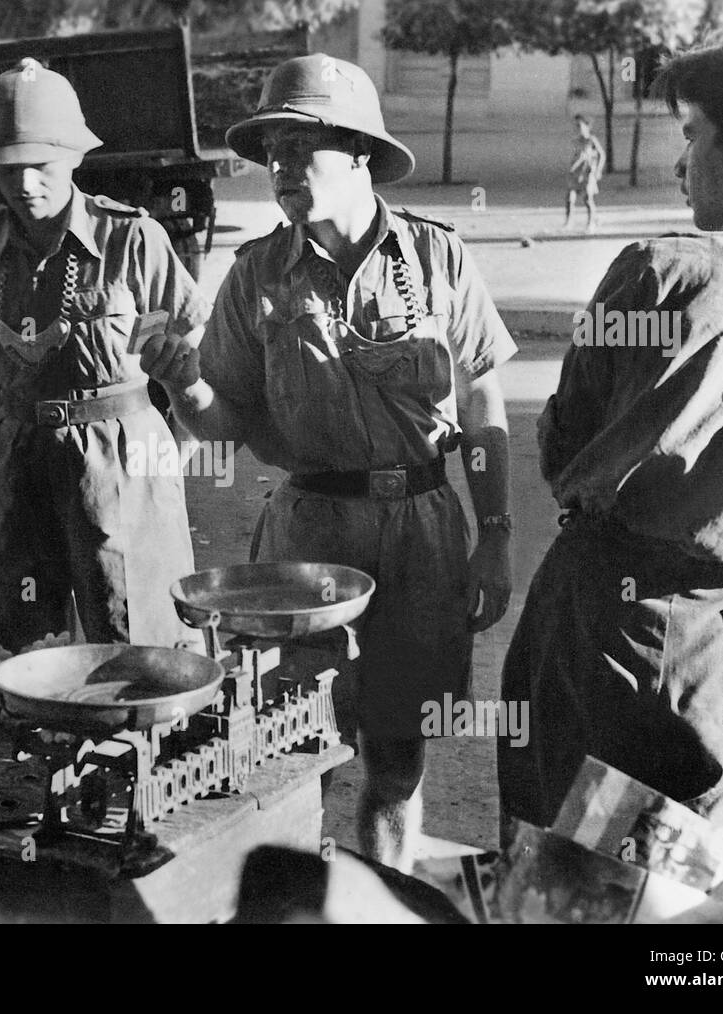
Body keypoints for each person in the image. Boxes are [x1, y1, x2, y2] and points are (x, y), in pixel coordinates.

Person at [144, 54, 516, 873]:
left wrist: (495, 532)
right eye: (269, 150)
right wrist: (183, 383)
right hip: (307, 537)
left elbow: (484, 403)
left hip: (422, 529)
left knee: (398, 750)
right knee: (290, 745)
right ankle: (295, 901)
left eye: (297, 146)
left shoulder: (439, 259)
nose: (277, 168)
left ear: (358, 154)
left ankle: (382, 888)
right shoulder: (254, 276)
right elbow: (221, 425)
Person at [497, 29, 723, 875]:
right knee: (690, 907)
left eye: (691, 134)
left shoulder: (662, 270)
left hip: (616, 633)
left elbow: (566, 447)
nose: (682, 160)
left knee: (569, 885)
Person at [0, 59, 208, 650]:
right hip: (18, 459)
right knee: (10, 646)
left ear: (75, 157)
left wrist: (165, 451)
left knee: (137, 642)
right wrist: (10, 425)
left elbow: (184, 352)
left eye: (39, 164)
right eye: (6, 168)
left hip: (122, 459)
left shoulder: (132, 240)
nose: (24, 183)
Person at [564, 114, 605, 233]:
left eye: (579, 125)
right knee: (570, 197)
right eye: (575, 125)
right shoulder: (575, 141)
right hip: (576, 172)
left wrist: (598, 170)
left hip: (588, 172)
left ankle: (591, 223)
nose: (577, 128)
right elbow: (573, 156)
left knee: (587, 199)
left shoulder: (591, 140)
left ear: (587, 126)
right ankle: (568, 222)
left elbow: (601, 155)